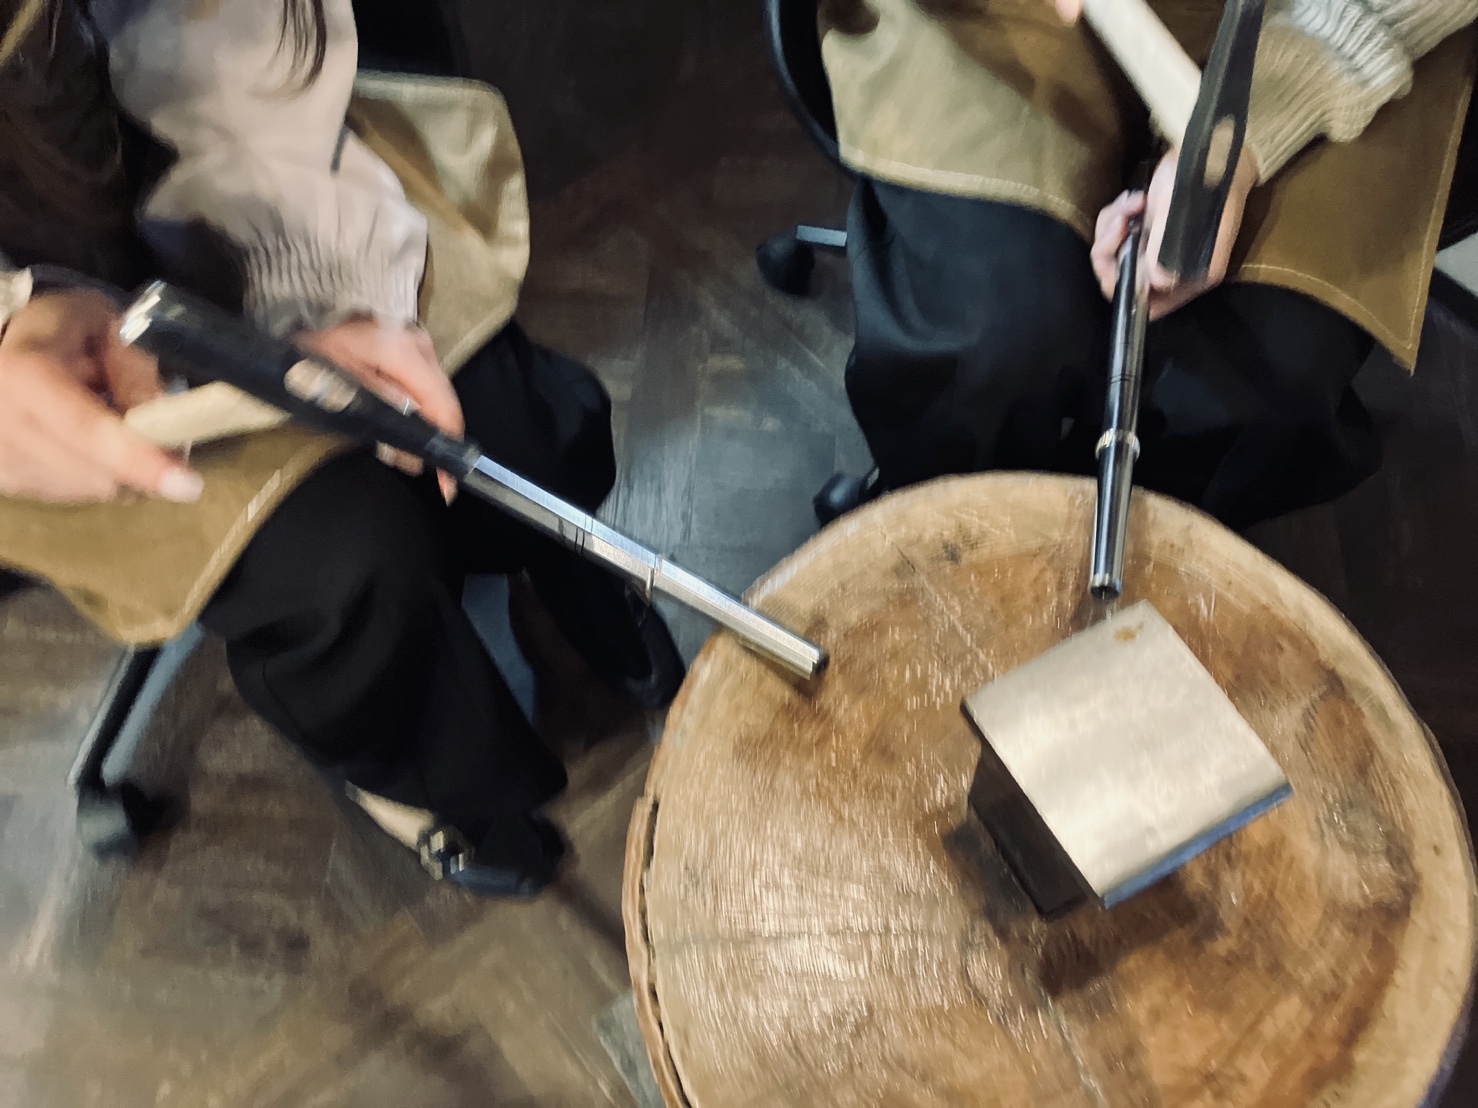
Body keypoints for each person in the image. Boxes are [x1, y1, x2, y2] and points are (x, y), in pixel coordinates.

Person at [0, 0, 684, 896]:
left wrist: (318, 285)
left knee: (508, 430)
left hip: (191, 166)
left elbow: (206, 26)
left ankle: (557, 562)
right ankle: (429, 776)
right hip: (32, 382)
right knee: (347, 567)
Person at [812, 0, 1478, 531]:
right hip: (995, 17)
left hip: (1337, 18)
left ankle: (1116, 564)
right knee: (993, 331)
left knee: (1262, 376)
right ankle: (939, 530)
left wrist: (1247, 135)